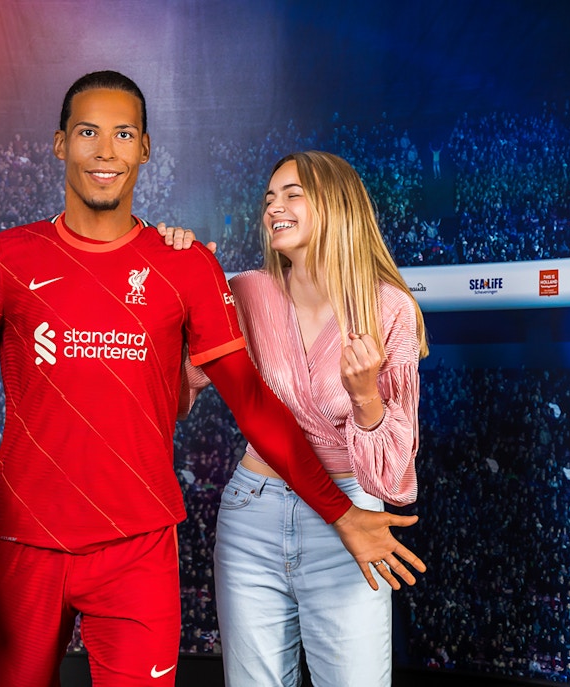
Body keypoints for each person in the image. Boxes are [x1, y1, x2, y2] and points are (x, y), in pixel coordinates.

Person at [0, 72, 423, 687]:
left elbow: (253, 403)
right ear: (59, 144)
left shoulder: (184, 267)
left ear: (145, 148)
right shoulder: (7, 259)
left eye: (123, 133)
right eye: (88, 131)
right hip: (23, 546)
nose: (105, 149)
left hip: (138, 551)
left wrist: (341, 512)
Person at [175, 151, 428, 686]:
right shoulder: (244, 293)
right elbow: (176, 393)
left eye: (293, 194)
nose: (274, 207)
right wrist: (177, 284)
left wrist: (365, 399)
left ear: (337, 205)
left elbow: (394, 478)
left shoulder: (390, 308)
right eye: (269, 198)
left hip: (350, 517)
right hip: (252, 515)